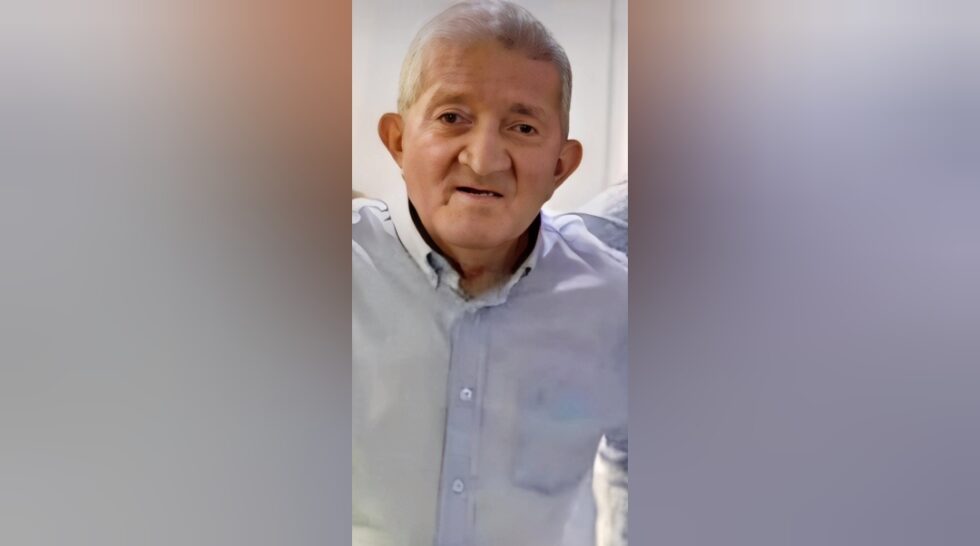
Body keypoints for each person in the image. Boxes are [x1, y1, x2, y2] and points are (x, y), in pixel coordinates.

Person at [352, 2, 627, 544]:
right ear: (398, 141)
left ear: (561, 166)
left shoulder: (614, 302)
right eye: (452, 117)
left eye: (522, 127)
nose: (483, 159)